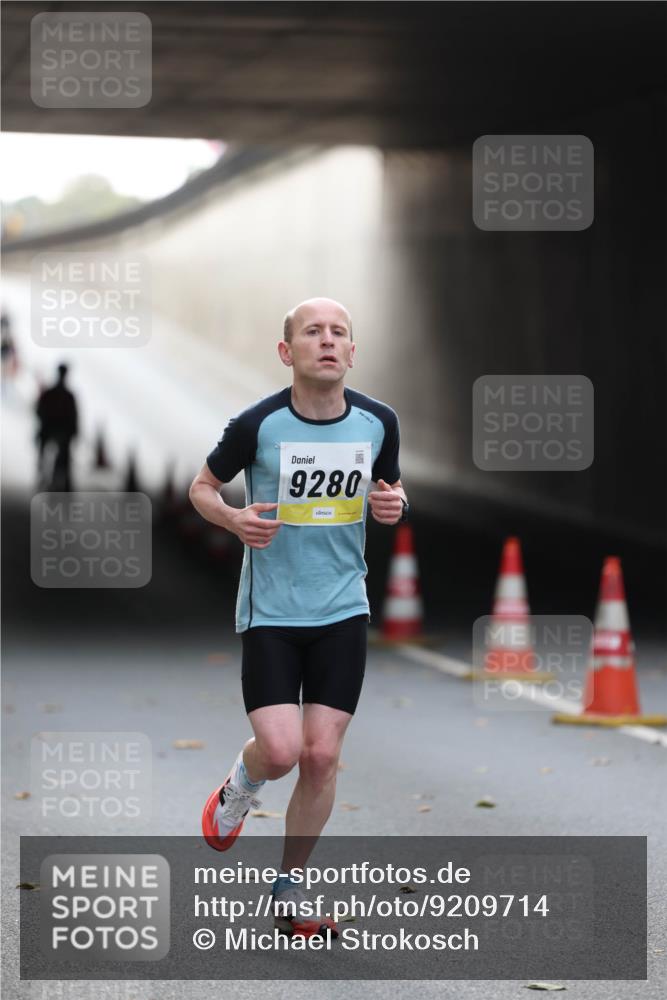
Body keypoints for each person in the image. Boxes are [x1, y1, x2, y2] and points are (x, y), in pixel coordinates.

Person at [189, 298, 408, 939]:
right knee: (282, 752)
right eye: (313, 332)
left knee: (320, 756)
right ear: (288, 352)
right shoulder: (257, 424)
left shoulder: (378, 422)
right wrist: (234, 519)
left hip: (342, 607)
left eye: (339, 332)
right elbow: (201, 487)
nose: (328, 341)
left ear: (352, 351)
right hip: (273, 612)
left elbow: (390, 489)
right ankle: (241, 785)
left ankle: (290, 889)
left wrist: (395, 505)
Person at [35, 363, 78, 491]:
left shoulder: (53, 394)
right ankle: (55, 481)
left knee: (61, 459)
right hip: (54, 432)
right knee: (61, 460)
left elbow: (39, 411)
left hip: (54, 432)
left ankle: (53, 480)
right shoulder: (67, 396)